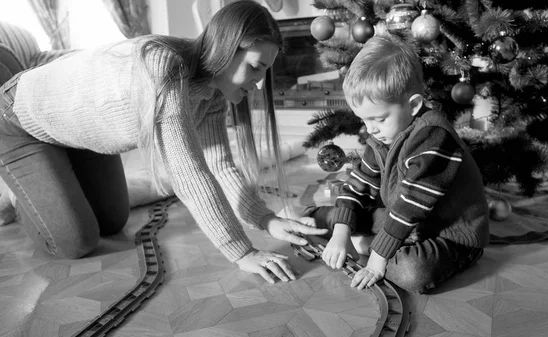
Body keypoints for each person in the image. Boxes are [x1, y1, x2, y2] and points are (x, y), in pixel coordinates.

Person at [0, 0, 327, 284]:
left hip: (80, 137)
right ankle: (19, 189)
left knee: (113, 221)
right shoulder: (164, 70)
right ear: (229, 47)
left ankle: (54, 171)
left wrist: (266, 220)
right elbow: (190, 175)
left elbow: (220, 165)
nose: (258, 86)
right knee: (77, 242)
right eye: (256, 68)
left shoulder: (211, 92)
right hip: (17, 119)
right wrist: (242, 252)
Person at [304, 33, 489, 294]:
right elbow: (359, 185)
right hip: (404, 223)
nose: (371, 130)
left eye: (378, 119)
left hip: (449, 234)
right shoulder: (380, 135)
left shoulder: (434, 135)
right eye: (364, 121)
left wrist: (378, 259)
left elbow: (410, 206)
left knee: (412, 273)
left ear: (413, 105)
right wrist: (341, 233)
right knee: (342, 215)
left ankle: (371, 244)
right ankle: (330, 225)